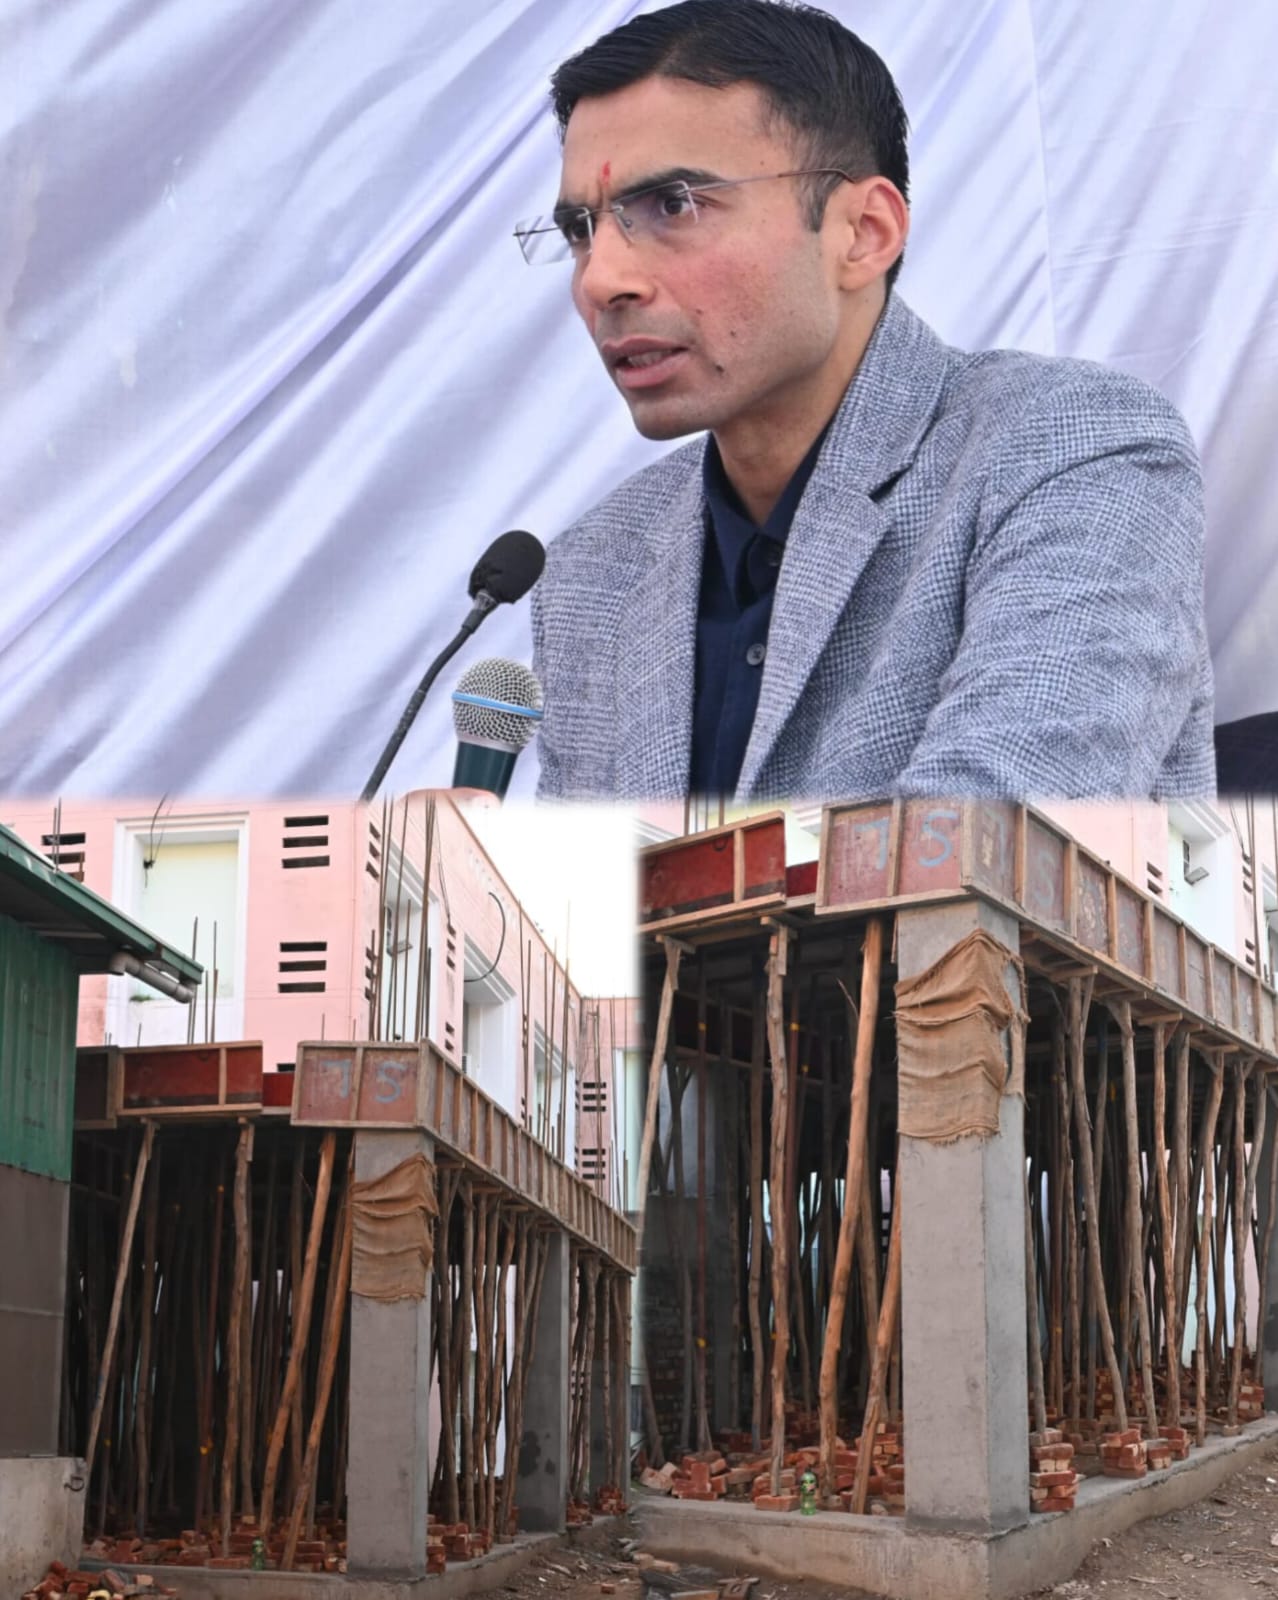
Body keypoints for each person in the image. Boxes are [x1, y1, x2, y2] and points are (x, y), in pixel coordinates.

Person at [523, 0, 1214, 801]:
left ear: (864, 232)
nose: (602, 280)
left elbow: (993, 846)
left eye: (674, 204)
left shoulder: (1071, 452)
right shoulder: (590, 571)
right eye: (581, 229)